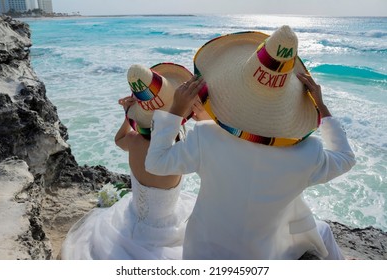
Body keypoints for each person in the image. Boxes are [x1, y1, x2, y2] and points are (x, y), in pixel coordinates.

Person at [145, 25, 356, 259]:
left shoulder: (206, 137)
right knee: (322, 232)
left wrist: (175, 111)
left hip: (202, 252)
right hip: (260, 257)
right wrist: (322, 107)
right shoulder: (308, 154)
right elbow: (346, 158)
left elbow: (156, 162)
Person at [60, 62, 202, 260]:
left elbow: (118, 141)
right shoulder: (179, 149)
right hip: (166, 228)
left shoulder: (134, 141)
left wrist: (129, 117)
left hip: (133, 217)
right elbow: (204, 151)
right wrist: (193, 113)